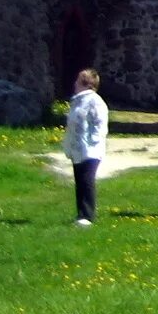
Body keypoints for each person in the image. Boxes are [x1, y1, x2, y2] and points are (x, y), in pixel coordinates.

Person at [61, 69, 108, 226]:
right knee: (79, 181)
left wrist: (92, 143)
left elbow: (99, 124)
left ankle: (88, 216)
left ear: (85, 83)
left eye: (78, 80)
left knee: (87, 181)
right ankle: (80, 214)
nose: (75, 83)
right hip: (77, 148)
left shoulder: (95, 101)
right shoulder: (78, 101)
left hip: (90, 149)